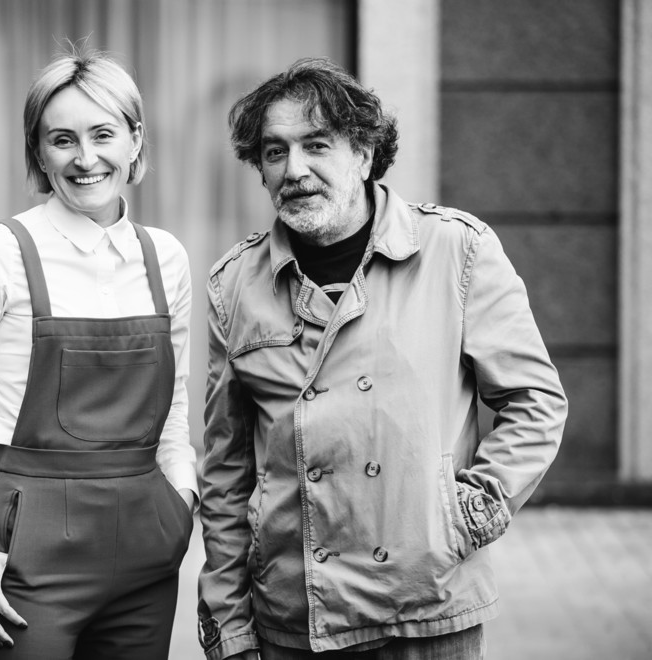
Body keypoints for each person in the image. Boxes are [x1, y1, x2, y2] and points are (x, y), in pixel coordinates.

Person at [198, 58, 567, 660]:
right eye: (274, 152)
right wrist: (229, 624)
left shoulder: (456, 250)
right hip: (294, 617)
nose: (294, 169)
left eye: (317, 145)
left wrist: (468, 515)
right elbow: (225, 474)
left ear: (365, 155)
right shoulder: (234, 285)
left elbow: (536, 402)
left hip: (428, 610)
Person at [0, 49, 197, 660]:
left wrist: (182, 502)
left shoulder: (166, 258)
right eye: (62, 139)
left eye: (103, 134)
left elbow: (173, 410)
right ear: (39, 153)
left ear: (135, 140)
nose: (85, 158)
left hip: (147, 550)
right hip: (27, 549)